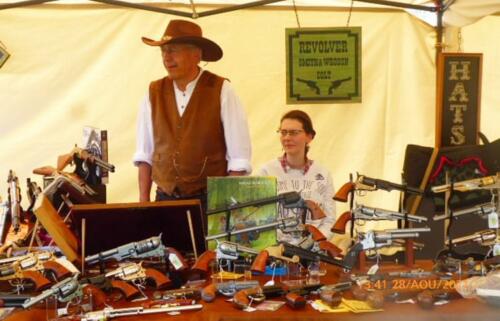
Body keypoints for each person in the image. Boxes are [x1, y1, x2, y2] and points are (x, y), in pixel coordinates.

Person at [133, 19, 252, 210]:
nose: (167, 57)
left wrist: (224, 209)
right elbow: (144, 155)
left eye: (173, 50)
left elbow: (238, 159)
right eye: (163, 51)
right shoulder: (153, 92)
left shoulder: (221, 89)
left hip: (209, 202)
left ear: (196, 55)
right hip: (164, 199)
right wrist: (144, 204)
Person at [258, 110, 335, 244]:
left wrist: (312, 244)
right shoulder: (266, 171)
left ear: (309, 136)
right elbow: (259, 217)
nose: (287, 138)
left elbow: (329, 220)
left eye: (293, 133)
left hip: (313, 249)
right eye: (283, 132)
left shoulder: (323, 173)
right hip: (276, 249)